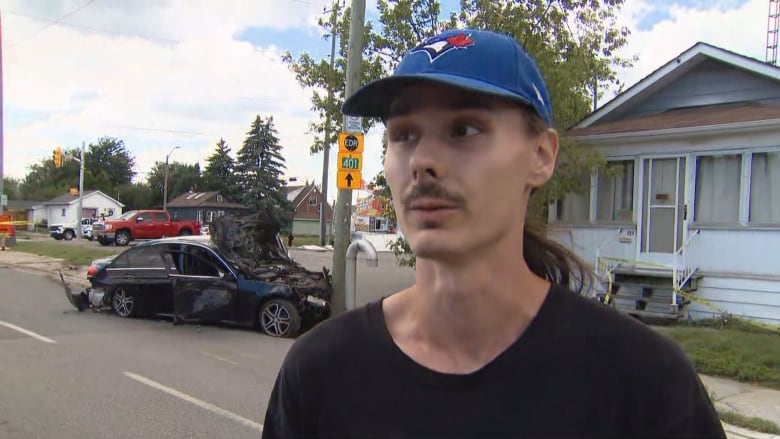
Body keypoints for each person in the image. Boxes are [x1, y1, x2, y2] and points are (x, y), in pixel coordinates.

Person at [262, 29, 726, 439]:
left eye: (463, 129)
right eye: (403, 135)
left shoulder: (647, 385)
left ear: (541, 156)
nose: (422, 159)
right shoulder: (320, 373)